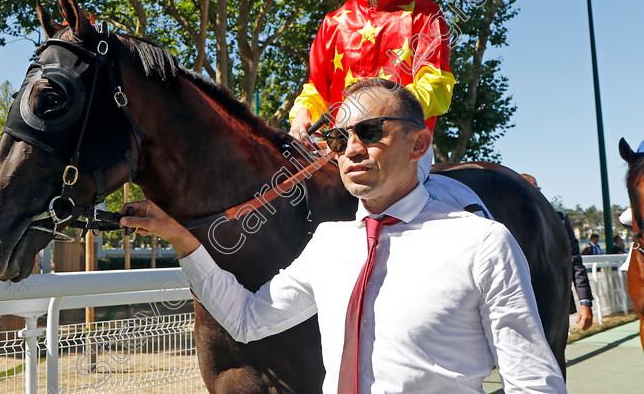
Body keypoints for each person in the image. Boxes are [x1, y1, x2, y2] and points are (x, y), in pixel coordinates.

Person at [122, 79, 564, 393]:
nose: (352, 149)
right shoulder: (329, 243)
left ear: (419, 144)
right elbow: (247, 319)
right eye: (338, 139)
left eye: (370, 133)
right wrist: (180, 238)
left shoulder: (484, 242)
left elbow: (532, 381)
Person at [288, 0, 455, 184]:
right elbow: (316, 90)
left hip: (402, 149)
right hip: (341, 149)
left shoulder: (424, 14)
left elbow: (436, 86)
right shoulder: (332, 23)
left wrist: (377, 116)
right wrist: (303, 115)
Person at [520, 173, 593, 330]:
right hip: (522, 307)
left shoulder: (559, 219)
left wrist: (585, 302)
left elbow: (575, 261)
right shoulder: (503, 224)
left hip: (557, 307)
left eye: (536, 189)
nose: (535, 194)